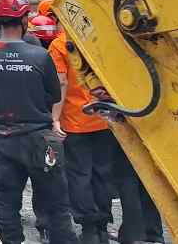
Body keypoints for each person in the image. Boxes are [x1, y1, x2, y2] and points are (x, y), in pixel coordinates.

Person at [0, 0, 75, 244]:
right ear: (24, 18)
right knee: (57, 207)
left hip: (1, 139)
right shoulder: (40, 56)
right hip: (40, 139)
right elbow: (54, 95)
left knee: (7, 208)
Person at [48, 21, 114, 244]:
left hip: (75, 122)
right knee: (102, 173)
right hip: (105, 119)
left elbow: (61, 82)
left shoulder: (59, 45)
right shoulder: (98, 38)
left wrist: (55, 118)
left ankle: (89, 229)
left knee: (79, 175)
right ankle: (103, 227)